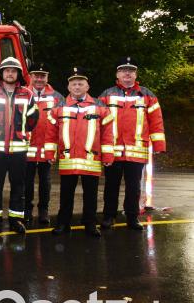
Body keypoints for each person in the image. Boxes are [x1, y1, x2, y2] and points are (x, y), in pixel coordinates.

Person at [46, 68, 115, 237]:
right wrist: (49, 154)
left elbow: (107, 134)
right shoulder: (59, 107)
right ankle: (63, 223)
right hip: (68, 159)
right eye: (74, 84)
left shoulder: (100, 107)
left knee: (91, 195)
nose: (77, 87)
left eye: (80, 84)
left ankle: (90, 224)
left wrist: (108, 155)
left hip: (91, 159)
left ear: (87, 86)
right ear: (68, 87)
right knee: (66, 194)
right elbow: (51, 133)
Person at [99, 57, 166, 230]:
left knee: (133, 187)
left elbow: (156, 121)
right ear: (117, 74)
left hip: (136, 151)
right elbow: (96, 122)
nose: (127, 73)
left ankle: (132, 217)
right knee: (111, 186)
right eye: (123, 70)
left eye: (131, 70)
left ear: (135, 74)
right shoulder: (106, 94)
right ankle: (109, 216)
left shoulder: (147, 95)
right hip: (112, 151)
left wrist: (159, 145)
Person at [0, 57, 39, 233]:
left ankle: (16, 219)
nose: (10, 73)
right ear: (1, 74)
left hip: (19, 149)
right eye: (7, 70)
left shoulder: (27, 94)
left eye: (13, 71)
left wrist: (20, 134)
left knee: (18, 185)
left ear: (19, 74)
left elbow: (32, 119)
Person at [25, 63, 64, 225]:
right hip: (26, 147)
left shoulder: (57, 97)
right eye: (36, 75)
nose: (39, 79)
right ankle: (26, 210)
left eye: (43, 76)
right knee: (26, 182)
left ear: (47, 77)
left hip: (47, 147)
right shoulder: (22, 94)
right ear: (31, 77)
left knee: (45, 182)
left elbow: (63, 124)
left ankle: (43, 210)